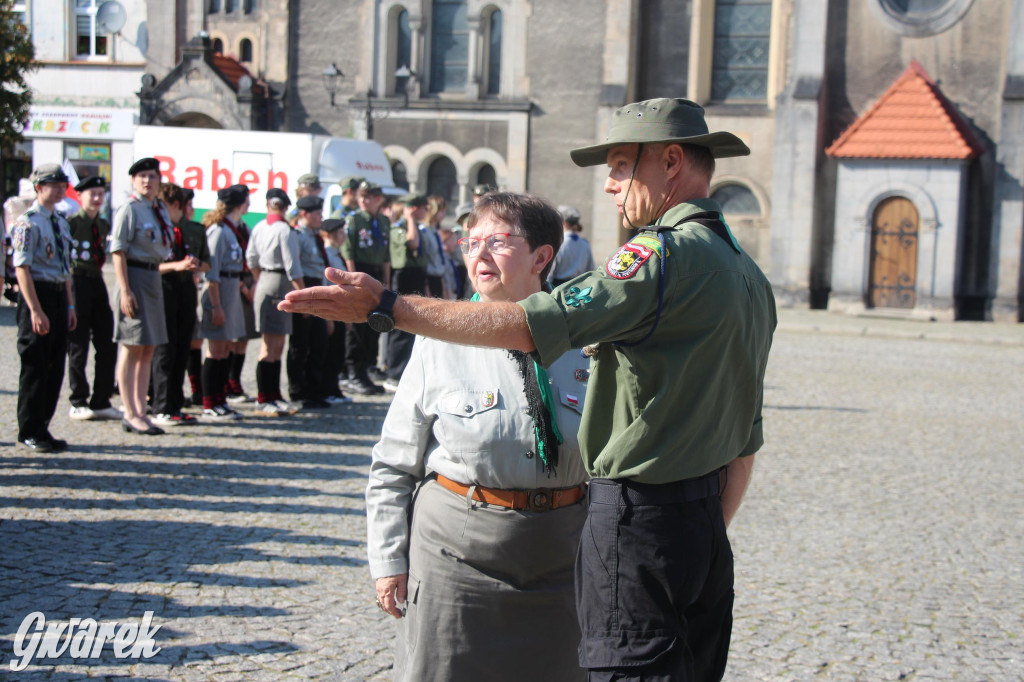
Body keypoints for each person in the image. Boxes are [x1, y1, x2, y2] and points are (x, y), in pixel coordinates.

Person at [281, 98, 776, 682]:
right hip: (695, 532)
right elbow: (745, 441)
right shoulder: (747, 272)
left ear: (671, 161)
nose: (612, 187)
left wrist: (390, 306)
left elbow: (529, 325)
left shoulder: (657, 260)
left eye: (620, 166)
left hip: (636, 525)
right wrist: (695, 533)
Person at [366, 192, 589, 681]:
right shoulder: (438, 339)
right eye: (471, 242)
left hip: (562, 559)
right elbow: (394, 463)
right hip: (457, 558)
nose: (479, 254)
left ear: (542, 257)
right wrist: (388, 560)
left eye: (497, 242)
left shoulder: (584, 342)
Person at [11, 164, 76, 451]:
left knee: (54, 365)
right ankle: (29, 429)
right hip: (37, 294)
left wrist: (71, 304)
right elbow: (22, 268)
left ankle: (44, 427)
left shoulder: (61, 221)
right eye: (54, 184)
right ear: (39, 187)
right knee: (35, 365)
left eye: (63, 184)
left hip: (58, 293)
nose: (60, 188)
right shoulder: (28, 222)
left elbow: (66, 268)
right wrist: (35, 309)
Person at [111, 157, 174, 436]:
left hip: (153, 278)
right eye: (142, 176)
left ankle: (141, 409)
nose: (148, 181)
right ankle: (129, 411)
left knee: (148, 347)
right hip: (134, 277)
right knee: (131, 345)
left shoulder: (157, 209)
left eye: (152, 176)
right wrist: (125, 290)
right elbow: (118, 252)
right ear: (133, 181)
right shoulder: (130, 209)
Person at [150, 183, 206, 426]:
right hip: (164, 288)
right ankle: (161, 404)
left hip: (186, 288)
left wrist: (194, 265)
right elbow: (150, 264)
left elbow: (207, 263)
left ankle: (174, 403)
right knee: (165, 350)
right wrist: (177, 266)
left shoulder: (193, 230)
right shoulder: (158, 228)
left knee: (182, 349)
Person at [246, 188, 305, 417]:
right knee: (271, 345)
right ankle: (265, 396)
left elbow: (251, 258)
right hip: (279, 281)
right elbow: (292, 266)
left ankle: (273, 395)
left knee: (275, 343)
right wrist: (303, 294)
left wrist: (259, 279)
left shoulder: (259, 227)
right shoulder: (285, 230)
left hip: (266, 279)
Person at [65, 176, 120, 421]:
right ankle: (78, 399)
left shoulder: (104, 224)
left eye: (101, 194)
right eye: (92, 194)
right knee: (78, 345)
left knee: (107, 342)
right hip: (77, 281)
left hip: (97, 281)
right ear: (80, 196)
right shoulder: (72, 223)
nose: (98, 199)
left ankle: (101, 399)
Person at [199, 184, 250, 421]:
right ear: (240, 204)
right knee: (216, 350)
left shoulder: (234, 229)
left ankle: (221, 399)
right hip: (219, 293)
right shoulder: (218, 231)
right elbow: (212, 272)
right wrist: (216, 306)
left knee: (226, 348)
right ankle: (210, 401)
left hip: (230, 290)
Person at [340, 180, 390, 394]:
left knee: (374, 325)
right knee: (358, 327)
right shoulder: (354, 220)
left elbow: (386, 254)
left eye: (368, 196)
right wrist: (353, 279)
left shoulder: (384, 221)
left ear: (378, 199)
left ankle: (367, 369)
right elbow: (348, 251)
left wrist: (386, 281)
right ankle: (353, 373)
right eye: (361, 196)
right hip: (360, 270)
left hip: (378, 273)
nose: (363, 200)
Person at [286, 194, 331, 409]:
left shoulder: (315, 236)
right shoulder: (297, 235)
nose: (320, 217)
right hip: (305, 287)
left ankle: (315, 389)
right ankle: (298, 390)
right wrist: (301, 297)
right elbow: (295, 265)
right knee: (300, 344)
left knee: (318, 342)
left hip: (317, 286)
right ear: (304, 214)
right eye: (317, 213)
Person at [383, 193, 427, 390]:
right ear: (414, 208)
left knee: (411, 326)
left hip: (416, 274)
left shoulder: (416, 227)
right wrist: (409, 218)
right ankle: (393, 373)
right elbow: (413, 243)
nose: (427, 211)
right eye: (424, 207)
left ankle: (404, 371)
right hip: (403, 276)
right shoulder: (399, 227)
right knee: (400, 326)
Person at [319, 217, 351, 405]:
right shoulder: (327, 255)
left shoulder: (336, 253)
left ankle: (334, 388)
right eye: (340, 232)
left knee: (339, 351)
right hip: (332, 307)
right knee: (330, 352)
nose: (343, 235)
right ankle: (327, 389)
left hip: (341, 308)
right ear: (330, 235)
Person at [548, 205, 596, 286]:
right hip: (579, 290)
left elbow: (549, 274)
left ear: (564, 223)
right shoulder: (585, 244)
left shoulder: (558, 243)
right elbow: (591, 271)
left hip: (558, 288)